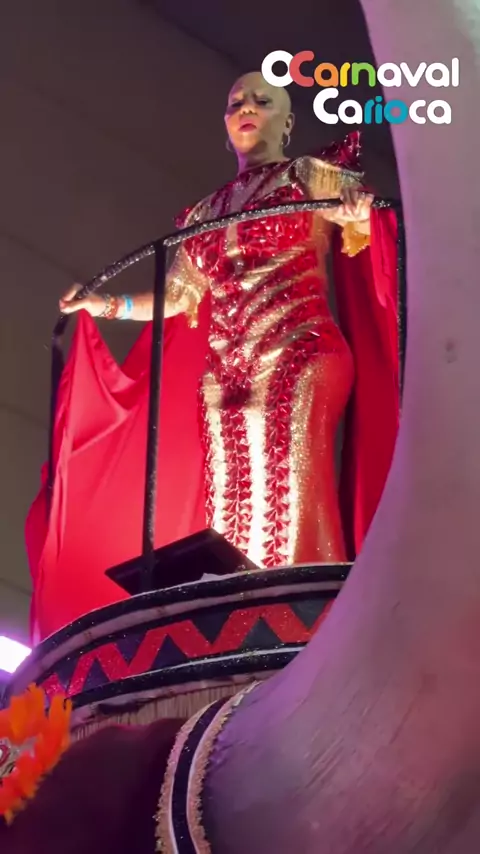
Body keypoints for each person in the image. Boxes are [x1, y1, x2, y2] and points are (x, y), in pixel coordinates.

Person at [54, 73, 399, 579]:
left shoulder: (310, 175)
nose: (247, 108)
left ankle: (298, 606)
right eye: (237, 102)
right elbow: (178, 295)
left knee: (286, 485)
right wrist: (103, 304)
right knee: (230, 493)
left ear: (287, 123)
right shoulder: (204, 212)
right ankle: (237, 604)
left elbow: (371, 223)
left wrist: (359, 215)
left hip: (299, 349)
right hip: (226, 369)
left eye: (263, 101)